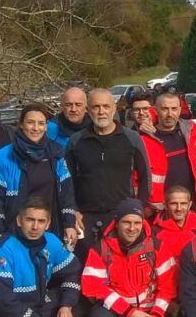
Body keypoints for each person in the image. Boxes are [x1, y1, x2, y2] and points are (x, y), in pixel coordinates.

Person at [81, 199, 180, 317]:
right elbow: (93, 287)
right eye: (126, 222)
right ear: (116, 223)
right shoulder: (100, 249)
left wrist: (154, 316)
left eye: (137, 222)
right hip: (118, 312)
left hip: (150, 311)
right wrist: (130, 313)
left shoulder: (156, 246)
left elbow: (168, 287)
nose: (132, 228)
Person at [64, 88, 151, 256]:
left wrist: (137, 209)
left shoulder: (131, 138)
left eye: (105, 106)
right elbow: (67, 181)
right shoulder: (76, 142)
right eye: (96, 107)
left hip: (121, 217)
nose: (101, 111)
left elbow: (145, 176)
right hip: (86, 218)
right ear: (88, 110)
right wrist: (73, 210)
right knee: (88, 267)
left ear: (114, 108)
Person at [0, 103, 77, 244]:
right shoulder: (2, 158)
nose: (36, 128)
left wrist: (69, 224)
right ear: (21, 124)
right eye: (30, 123)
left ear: (46, 126)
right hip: (13, 233)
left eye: (41, 123)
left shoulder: (56, 154)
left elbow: (67, 193)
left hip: (51, 230)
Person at [142, 90, 196, 202]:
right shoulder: (145, 139)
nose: (170, 114)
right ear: (155, 110)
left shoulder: (192, 129)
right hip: (159, 204)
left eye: (174, 109)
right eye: (164, 109)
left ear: (180, 110)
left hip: (191, 201)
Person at [152, 185, 196, 259]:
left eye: (183, 203)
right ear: (165, 205)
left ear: (189, 205)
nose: (179, 208)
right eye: (174, 204)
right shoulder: (155, 232)